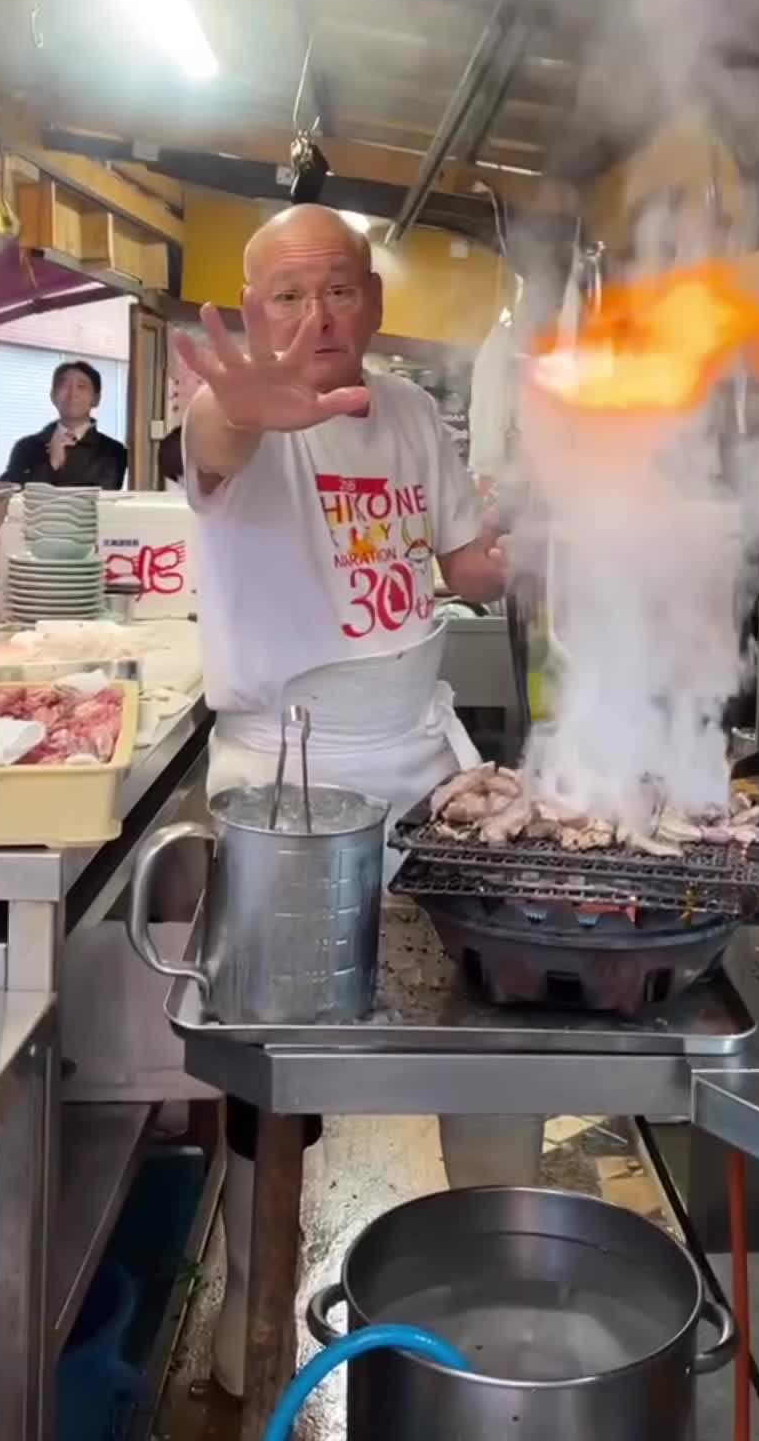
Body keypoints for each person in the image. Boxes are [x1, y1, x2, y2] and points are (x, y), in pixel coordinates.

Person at [175, 205, 544, 1399]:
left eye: (338, 290)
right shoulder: (238, 422)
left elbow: (452, 564)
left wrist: (525, 544)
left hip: (425, 763)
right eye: (286, 295)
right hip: (288, 779)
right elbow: (213, 441)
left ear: (375, 305)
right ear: (254, 306)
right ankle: (251, 1301)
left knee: (493, 1031)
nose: (315, 316)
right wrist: (243, 407)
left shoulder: (411, 413)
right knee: (279, 1067)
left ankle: (494, 1298)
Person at [0, 360, 127, 490]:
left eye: (81, 386)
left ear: (96, 399)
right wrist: (52, 464)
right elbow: (8, 494)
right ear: (53, 396)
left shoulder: (113, 451)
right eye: (64, 385)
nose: (72, 394)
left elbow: (100, 499)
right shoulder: (26, 446)